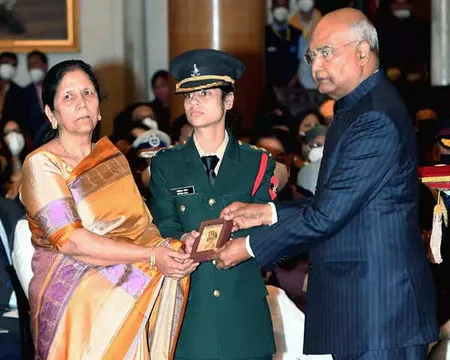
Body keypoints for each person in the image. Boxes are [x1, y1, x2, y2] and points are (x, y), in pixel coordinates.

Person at [216, 9, 438, 359]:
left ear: (363, 52)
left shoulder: (374, 117)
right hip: (363, 311)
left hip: (379, 313)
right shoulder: (358, 108)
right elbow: (336, 204)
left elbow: (328, 215)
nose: (316, 66)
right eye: (311, 55)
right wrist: (266, 212)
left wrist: (249, 247)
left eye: (326, 53)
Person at [19, 60, 198, 360]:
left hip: (128, 273)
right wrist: (152, 257)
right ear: (51, 114)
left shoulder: (112, 158)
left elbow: (143, 228)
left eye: (88, 93)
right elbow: (73, 242)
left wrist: (174, 248)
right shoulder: (40, 164)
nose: (81, 103)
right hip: (75, 294)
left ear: (99, 107)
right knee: (123, 287)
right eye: (68, 96)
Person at [149, 49, 277, 360]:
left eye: (205, 93)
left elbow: (268, 229)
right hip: (191, 312)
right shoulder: (167, 164)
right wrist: (181, 241)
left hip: (242, 315)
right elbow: (161, 222)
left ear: (228, 100)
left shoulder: (257, 163)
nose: (194, 103)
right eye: (189, 95)